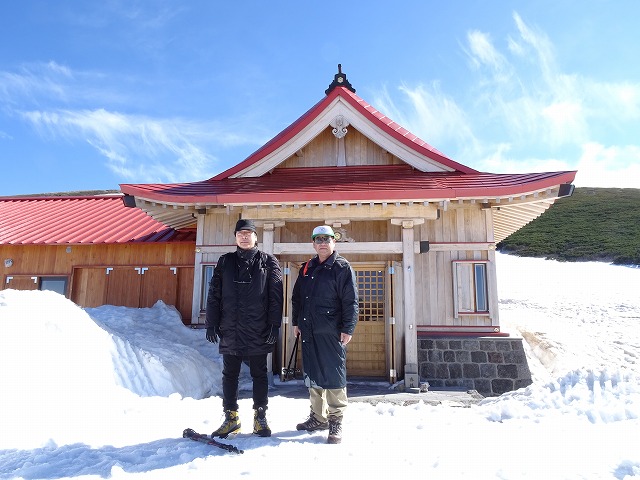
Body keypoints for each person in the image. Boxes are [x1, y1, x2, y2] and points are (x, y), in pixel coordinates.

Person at [206, 219, 283, 438]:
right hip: (230, 328)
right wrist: (211, 322)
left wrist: (274, 325)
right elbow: (214, 293)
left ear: (256, 237)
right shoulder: (225, 261)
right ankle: (231, 418)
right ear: (235, 237)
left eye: (249, 233)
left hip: (258, 328)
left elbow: (276, 297)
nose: (245, 236)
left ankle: (260, 418)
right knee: (229, 374)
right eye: (241, 233)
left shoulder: (268, 262)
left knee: (260, 374)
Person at [291, 225, 359, 444]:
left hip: (331, 331)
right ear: (313, 243)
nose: (322, 243)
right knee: (313, 373)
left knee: (333, 374)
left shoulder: (342, 267)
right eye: (318, 239)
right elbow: (297, 298)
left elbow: (351, 301)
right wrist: (296, 322)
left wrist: (348, 328)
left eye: (326, 239)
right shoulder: (306, 268)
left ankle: (335, 419)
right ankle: (318, 417)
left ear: (334, 242)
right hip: (308, 330)